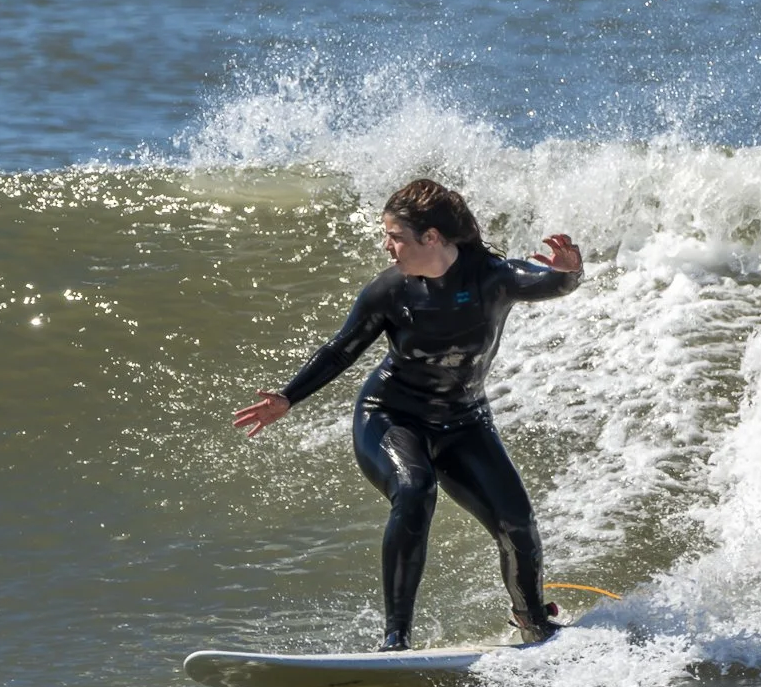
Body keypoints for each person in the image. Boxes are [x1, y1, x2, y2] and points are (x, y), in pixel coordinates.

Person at [234, 178, 584, 651]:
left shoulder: (491, 276)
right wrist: (288, 398)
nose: (387, 246)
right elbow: (340, 350)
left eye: (395, 236)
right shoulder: (390, 291)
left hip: (464, 421)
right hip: (391, 417)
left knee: (517, 524)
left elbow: (547, 282)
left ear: (432, 238)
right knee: (415, 489)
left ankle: (531, 621)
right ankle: (395, 639)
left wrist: (568, 272)